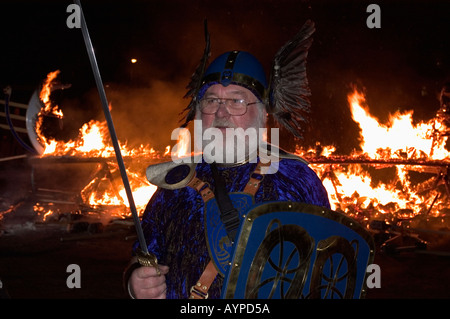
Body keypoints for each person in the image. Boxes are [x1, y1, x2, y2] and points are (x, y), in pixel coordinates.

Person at [124, 21, 331, 299]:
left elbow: (325, 272)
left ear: (263, 114)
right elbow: (145, 254)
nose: (221, 112)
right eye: (211, 100)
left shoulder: (296, 179)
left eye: (237, 101)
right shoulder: (175, 183)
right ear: (199, 113)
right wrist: (136, 281)